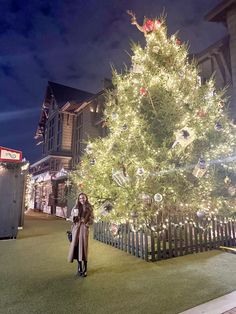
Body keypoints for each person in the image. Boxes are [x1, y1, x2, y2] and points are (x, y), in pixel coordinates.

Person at [68, 193, 94, 277]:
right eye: (80, 198)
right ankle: (79, 268)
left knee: (84, 248)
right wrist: (74, 218)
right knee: (76, 248)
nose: (82, 199)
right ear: (78, 199)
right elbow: (71, 216)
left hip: (84, 229)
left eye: (83, 198)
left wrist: (87, 223)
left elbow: (92, 218)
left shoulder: (89, 208)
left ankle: (85, 268)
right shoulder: (75, 207)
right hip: (76, 229)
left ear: (86, 198)